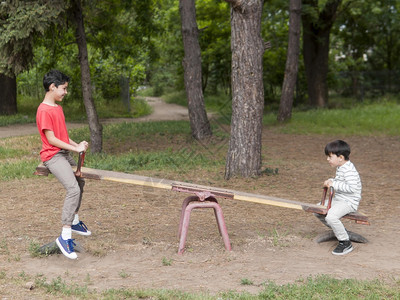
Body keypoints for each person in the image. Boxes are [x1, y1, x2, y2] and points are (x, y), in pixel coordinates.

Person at [36, 70, 91, 259]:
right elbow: (51, 139)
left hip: (63, 152)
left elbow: (62, 135)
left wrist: (77, 145)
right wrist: (74, 149)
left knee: (80, 181)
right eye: (64, 88)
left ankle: (74, 220)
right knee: (73, 189)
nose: (65, 92)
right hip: (52, 156)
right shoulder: (44, 110)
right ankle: (65, 236)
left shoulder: (57, 108)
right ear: (53, 87)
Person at [315, 140, 362, 256]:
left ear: (340, 157)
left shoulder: (349, 170)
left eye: (330, 157)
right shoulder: (341, 167)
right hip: (340, 199)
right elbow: (340, 182)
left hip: (349, 202)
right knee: (317, 210)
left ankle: (345, 243)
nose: (328, 159)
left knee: (331, 217)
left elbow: (352, 188)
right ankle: (341, 231)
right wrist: (332, 180)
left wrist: (334, 184)